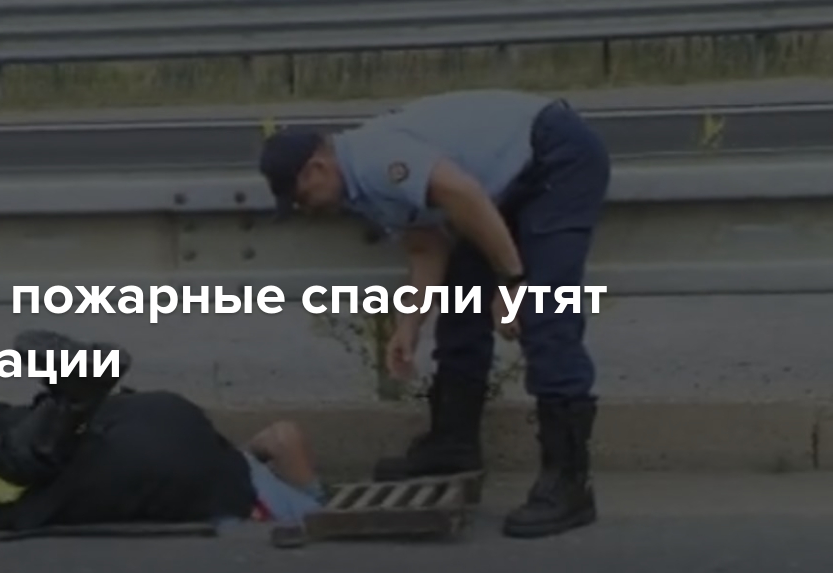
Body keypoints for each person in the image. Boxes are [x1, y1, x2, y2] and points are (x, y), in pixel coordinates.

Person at [257, 89, 611, 539]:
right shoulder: (360, 188)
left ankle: (569, 483)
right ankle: (454, 444)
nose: (305, 210)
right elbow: (427, 247)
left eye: (301, 197)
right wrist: (408, 326)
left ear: (317, 169)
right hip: (508, 181)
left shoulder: (373, 162)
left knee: (545, 312)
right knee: (462, 297)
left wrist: (512, 282)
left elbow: (463, 194)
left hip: (555, 156)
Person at [0, 330, 326, 533]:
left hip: (168, 419)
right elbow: (292, 450)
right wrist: (315, 499)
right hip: (183, 474)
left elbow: (283, 436)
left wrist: (244, 453)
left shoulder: (254, 474)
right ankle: (66, 409)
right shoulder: (303, 512)